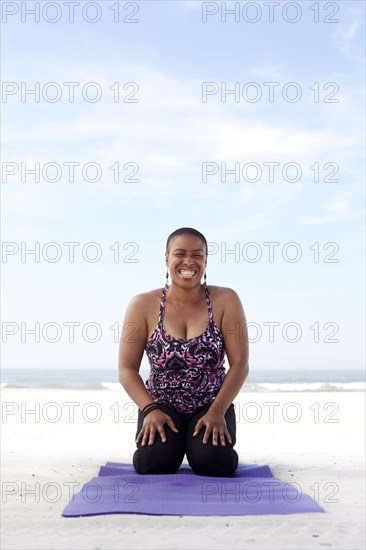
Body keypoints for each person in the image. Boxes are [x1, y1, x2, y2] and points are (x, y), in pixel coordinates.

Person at [118, 227, 249, 477]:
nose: (188, 261)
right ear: (167, 258)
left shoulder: (226, 300)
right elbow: (126, 369)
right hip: (160, 405)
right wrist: (150, 410)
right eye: (180, 253)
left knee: (215, 462)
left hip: (212, 403)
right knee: (152, 463)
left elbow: (240, 364)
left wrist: (217, 411)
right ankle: (172, 441)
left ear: (205, 261)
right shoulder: (142, 305)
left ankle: (201, 445)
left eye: (197, 255)